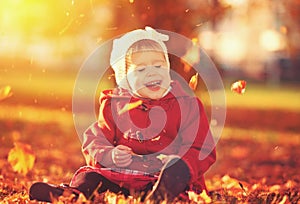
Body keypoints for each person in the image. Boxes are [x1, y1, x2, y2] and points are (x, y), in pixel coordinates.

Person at [29, 27, 216, 203]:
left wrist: (179, 163)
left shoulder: (186, 103)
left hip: (164, 177)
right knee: (90, 176)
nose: (152, 72)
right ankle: (71, 194)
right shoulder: (115, 105)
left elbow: (201, 148)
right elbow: (95, 141)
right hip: (124, 179)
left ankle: (161, 195)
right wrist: (110, 155)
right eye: (141, 69)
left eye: (159, 66)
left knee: (176, 172)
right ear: (125, 79)